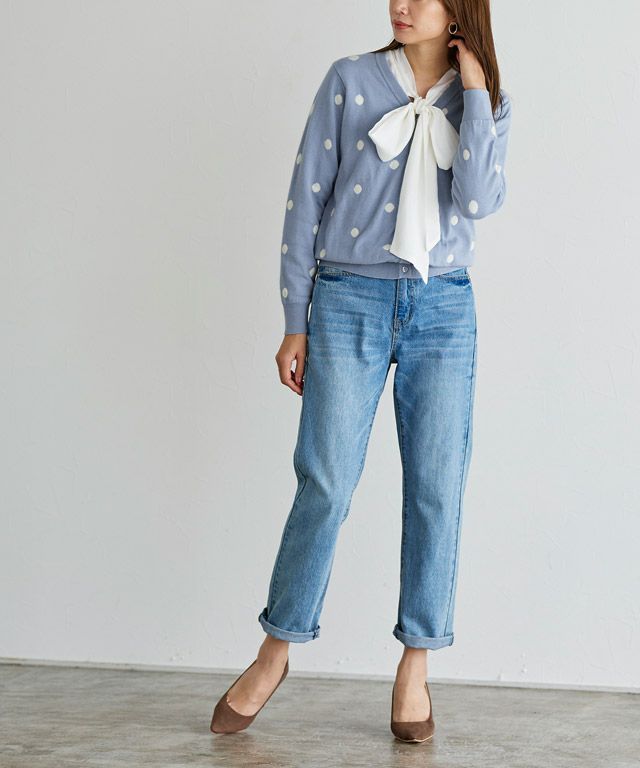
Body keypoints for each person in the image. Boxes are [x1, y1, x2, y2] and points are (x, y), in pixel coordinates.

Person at [211, 0, 512, 743]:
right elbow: (304, 201)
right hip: (348, 298)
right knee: (325, 481)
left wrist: (476, 92)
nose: (401, 6)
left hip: (444, 307)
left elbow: (479, 199)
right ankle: (276, 648)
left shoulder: (489, 100)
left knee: (437, 488)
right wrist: (295, 318)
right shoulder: (349, 80)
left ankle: (416, 666)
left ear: (459, 9)